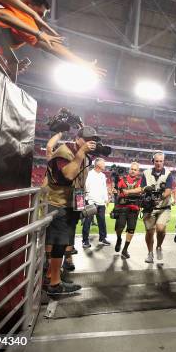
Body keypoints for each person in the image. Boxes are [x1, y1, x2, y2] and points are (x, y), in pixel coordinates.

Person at [42, 126, 97, 295]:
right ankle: (54, 284)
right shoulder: (65, 151)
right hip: (57, 202)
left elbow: (78, 182)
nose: (90, 143)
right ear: (77, 138)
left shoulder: (81, 153)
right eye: (86, 139)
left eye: (93, 140)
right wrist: (81, 153)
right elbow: (67, 176)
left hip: (68, 203)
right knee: (57, 243)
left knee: (61, 242)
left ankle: (52, 276)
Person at [141, 151, 174, 263]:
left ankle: (159, 247)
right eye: (156, 161)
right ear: (153, 161)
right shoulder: (146, 173)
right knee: (149, 232)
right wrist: (147, 192)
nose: (159, 163)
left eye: (161, 161)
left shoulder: (168, 173)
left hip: (164, 207)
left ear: (164, 162)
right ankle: (150, 253)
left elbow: (168, 191)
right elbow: (142, 188)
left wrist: (159, 198)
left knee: (160, 229)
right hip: (149, 207)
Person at [113, 162, 142, 259]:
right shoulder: (122, 179)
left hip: (134, 209)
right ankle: (119, 239)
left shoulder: (140, 181)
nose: (133, 171)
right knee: (119, 227)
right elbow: (117, 190)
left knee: (131, 230)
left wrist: (128, 192)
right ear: (129, 170)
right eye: (132, 169)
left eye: (135, 169)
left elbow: (140, 190)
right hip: (122, 207)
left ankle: (125, 249)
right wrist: (115, 191)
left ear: (138, 171)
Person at [82, 157, 110, 248]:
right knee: (88, 222)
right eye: (103, 163)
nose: (105, 165)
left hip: (101, 202)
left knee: (102, 221)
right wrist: (88, 199)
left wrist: (106, 199)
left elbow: (104, 188)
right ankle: (85, 240)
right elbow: (86, 187)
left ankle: (103, 238)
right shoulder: (89, 174)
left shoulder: (102, 175)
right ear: (98, 165)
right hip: (91, 202)